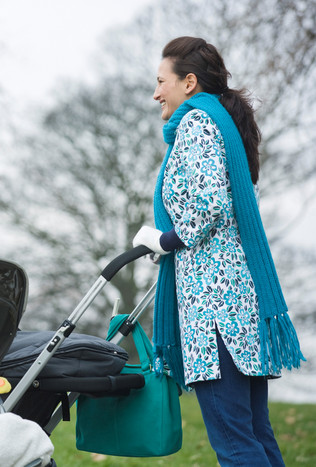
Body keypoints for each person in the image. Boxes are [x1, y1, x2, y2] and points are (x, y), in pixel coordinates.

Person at [132, 36, 304, 466]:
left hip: (215, 315)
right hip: (239, 307)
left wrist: (164, 240)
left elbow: (210, 205)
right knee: (255, 437)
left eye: (161, 82)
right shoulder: (222, 124)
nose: (156, 93)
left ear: (188, 82)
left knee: (234, 444)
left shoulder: (196, 123)